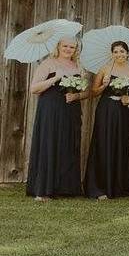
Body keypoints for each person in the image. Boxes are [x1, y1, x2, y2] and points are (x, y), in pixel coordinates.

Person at [26, 37, 88, 200]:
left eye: (72, 47)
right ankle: (43, 189)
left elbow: (86, 91)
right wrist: (55, 77)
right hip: (51, 109)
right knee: (50, 143)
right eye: (65, 46)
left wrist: (76, 96)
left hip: (71, 110)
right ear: (58, 47)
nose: (68, 49)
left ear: (76, 50)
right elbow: (34, 88)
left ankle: (65, 188)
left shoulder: (78, 66)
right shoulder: (48, 63)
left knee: (68, 143)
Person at [84, 40, 129, 199]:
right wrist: (104, 85)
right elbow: (93, 92)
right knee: (103, 142)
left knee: (120, 143)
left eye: (122, 51)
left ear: (127, 54)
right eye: (116, 52)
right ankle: (99, 187)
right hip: (106, 109)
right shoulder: (105, 69)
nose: (119, 54)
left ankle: (118, 187)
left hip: (123, 112)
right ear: (112, 54)